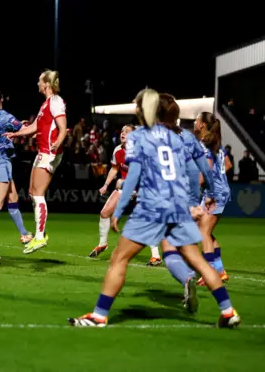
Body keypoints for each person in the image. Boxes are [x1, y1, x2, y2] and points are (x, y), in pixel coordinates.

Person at [69, 88, 240, 328]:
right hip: (178, 206)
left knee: (119, 258)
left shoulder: (140, 136)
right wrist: (208, 193)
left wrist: (118, 211)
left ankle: (98, 315)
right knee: (198, 261)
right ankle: (228, 310)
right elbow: (201, 167)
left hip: (152, 206)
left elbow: (133, 176)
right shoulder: (184, 136)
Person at [155, 93, 216, 313]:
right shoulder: (189, 138)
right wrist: (209, 193)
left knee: (168, 249)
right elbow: (205, 169)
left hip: (170, 202)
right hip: (192, 203)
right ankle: (225, 304)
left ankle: (188, 279)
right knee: (188, 250)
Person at [5, 70, 67, 254]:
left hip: (50, 151)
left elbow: (63, 127)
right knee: (32, 192)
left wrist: (58, 142)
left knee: (38, 193)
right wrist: (16, 134)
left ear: (46, 84)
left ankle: (40, 237)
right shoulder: (46, 104)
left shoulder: (56, 101)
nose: (37, 84)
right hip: (44, 151)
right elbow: (34, 127)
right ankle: (40, 234)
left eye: (39, 81)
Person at [0, 88, 33, 260]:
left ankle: (24, 233)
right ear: (1, 99)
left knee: (13, 197)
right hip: (1, 160)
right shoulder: (6, 117)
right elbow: (23, 128)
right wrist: (26, 125)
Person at [194, 112, 232, 285]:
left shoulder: (204, 144)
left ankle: (209, 272)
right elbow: (228, 164)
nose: (194, 122)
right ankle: (219, 270)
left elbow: (206, 171)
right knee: (203, 230)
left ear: (202, 125)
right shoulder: (215, 142)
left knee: (203, 232)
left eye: (196, 120)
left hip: (213, 194)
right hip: (219, 191)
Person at [89, 124, 134, 258]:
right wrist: (106, 185)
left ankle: (155, 256)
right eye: (122, 131)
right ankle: (102, 243)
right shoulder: (118, 151)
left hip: (141, 188)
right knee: (104, 213)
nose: (123, 133)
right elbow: (114, 169)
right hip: (124, 188)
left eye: (127, 131)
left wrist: (125, 183)